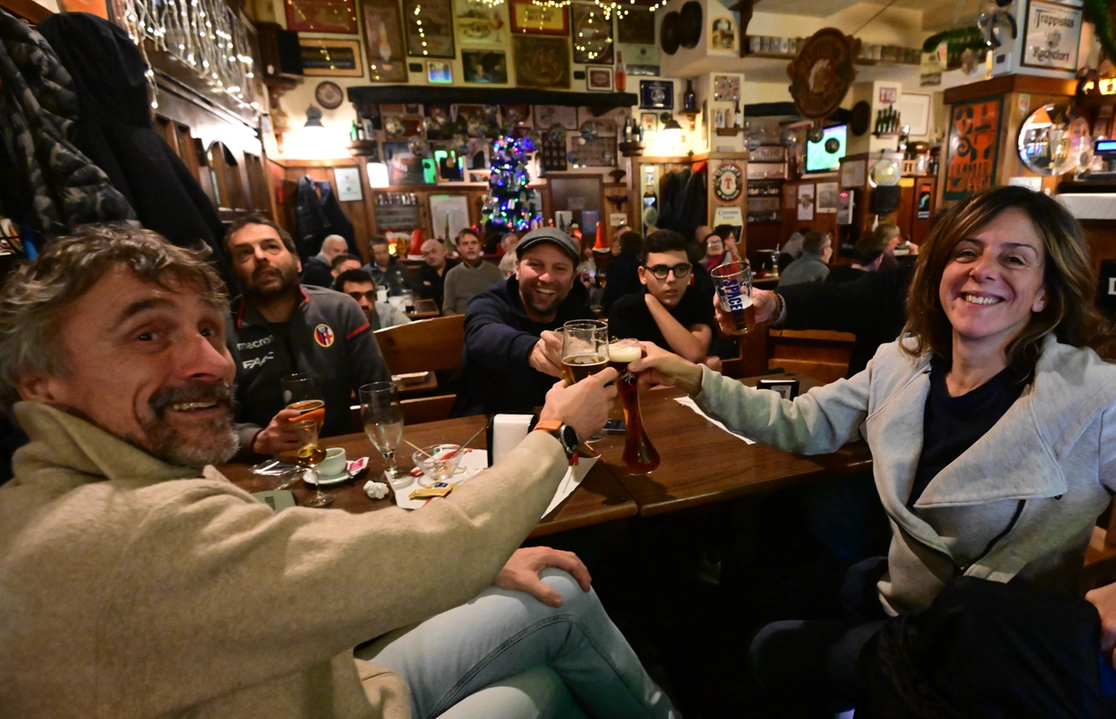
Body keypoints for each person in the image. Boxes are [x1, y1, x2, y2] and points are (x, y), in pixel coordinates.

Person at [637, 186, 1116, 714]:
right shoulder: (900, 361)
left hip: (982, 659)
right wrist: (692, 376)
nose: (983, 270)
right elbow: (801, 424)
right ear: (939, 270)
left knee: (771, 653)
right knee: (756, 632)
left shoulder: (1097, 396)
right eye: (966, 252)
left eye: (1015, 259)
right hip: (902, 606)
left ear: (1046, 292)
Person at [0, 226, 679, 719]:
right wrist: (556, 434)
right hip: (340, 687)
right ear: (42, 381)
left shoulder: (118, 480)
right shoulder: (111, 534)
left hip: (332, 681)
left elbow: (296, 554)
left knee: (544, 687)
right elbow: (411, 553)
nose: (209, 362)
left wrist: (480, 560)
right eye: (148, 334)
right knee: (559, 605)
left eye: (209, 330)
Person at [222, 215, 389, 444]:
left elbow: (378, 392)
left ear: (297, 261)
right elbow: (216, 421)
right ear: (233, 271)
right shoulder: (219, 328)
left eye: (271, 247)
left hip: (341, 452)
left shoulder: (340, 309)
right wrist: (255, 439)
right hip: (260, 463)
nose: (260, 257)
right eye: (244, 253)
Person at [455, 228, 594, 417]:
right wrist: (531, 350)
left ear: (572, 279)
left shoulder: (579, 312)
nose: (546, 277)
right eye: (536, 265)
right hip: (486, 427)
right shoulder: (488, 303)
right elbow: (480, 333)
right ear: (517, 269)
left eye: (559, 268)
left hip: (561, 425)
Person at [608, 230, 713, 364]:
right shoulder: (625, 309)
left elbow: (694, 354)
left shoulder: (698, 300)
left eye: (680, 269)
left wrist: (653, 304)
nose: (671, 279)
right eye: (660, 270)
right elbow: (632, 374)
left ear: (690, 272)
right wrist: (702, 367)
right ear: (642, 275)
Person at [442, 228, 503, 315]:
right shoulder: (452, 275)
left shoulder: (494, 271)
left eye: (474, 243)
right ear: (458, 248)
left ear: (479, 246)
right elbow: (447, 308)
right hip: (462, 323)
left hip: (489, 321)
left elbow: (502, 302)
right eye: (465, 244)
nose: (470, 247)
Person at [335, 268, 410, 331]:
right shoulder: (330, 321)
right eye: (355, 296)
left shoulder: (389, 315)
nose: (365, 303)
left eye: (369, 294)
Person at [602, 229, 645, 312]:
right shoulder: (638, 266)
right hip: (631, 310)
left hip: (611, 307)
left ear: (622, 245)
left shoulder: (612, 263)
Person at [414, 238, 459, 307]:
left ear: (444, 252)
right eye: (426, 254)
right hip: (433, 311)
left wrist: (432, 287)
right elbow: (422, 292)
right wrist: (447, 287)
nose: (431, 256)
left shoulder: (456, 267)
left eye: (434, 252)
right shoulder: (422, 270)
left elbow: (459, 290)